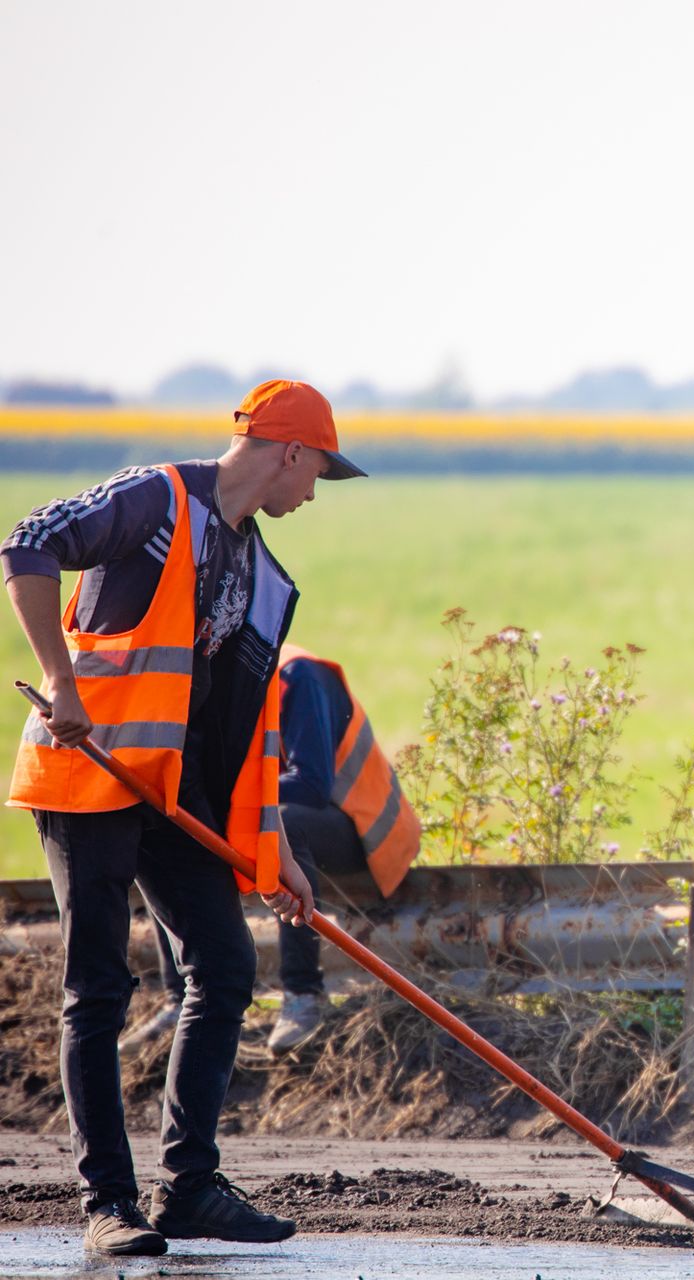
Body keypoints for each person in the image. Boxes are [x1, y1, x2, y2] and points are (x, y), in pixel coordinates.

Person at [3, 380, 359, 1257]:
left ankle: (188, 1187)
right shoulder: (153, 498)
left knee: (226, 963)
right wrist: (60, 680)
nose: (315, 493)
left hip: (171, 789)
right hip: (91, 768)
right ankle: (107, 1206)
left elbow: (243, 729)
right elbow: (27, 544)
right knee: (99, 986)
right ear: (290, 451)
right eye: (319, 472)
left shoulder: (257, 569)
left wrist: (274, 848)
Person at [122, 643, 422, 1055]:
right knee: (171, 823)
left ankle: (304, 994)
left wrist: (227, 799)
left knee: (284, 821)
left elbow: (311, 785)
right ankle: (179, 1000)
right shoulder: (212, 680)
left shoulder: (297, 676)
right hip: (293, 822)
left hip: (368, 830)